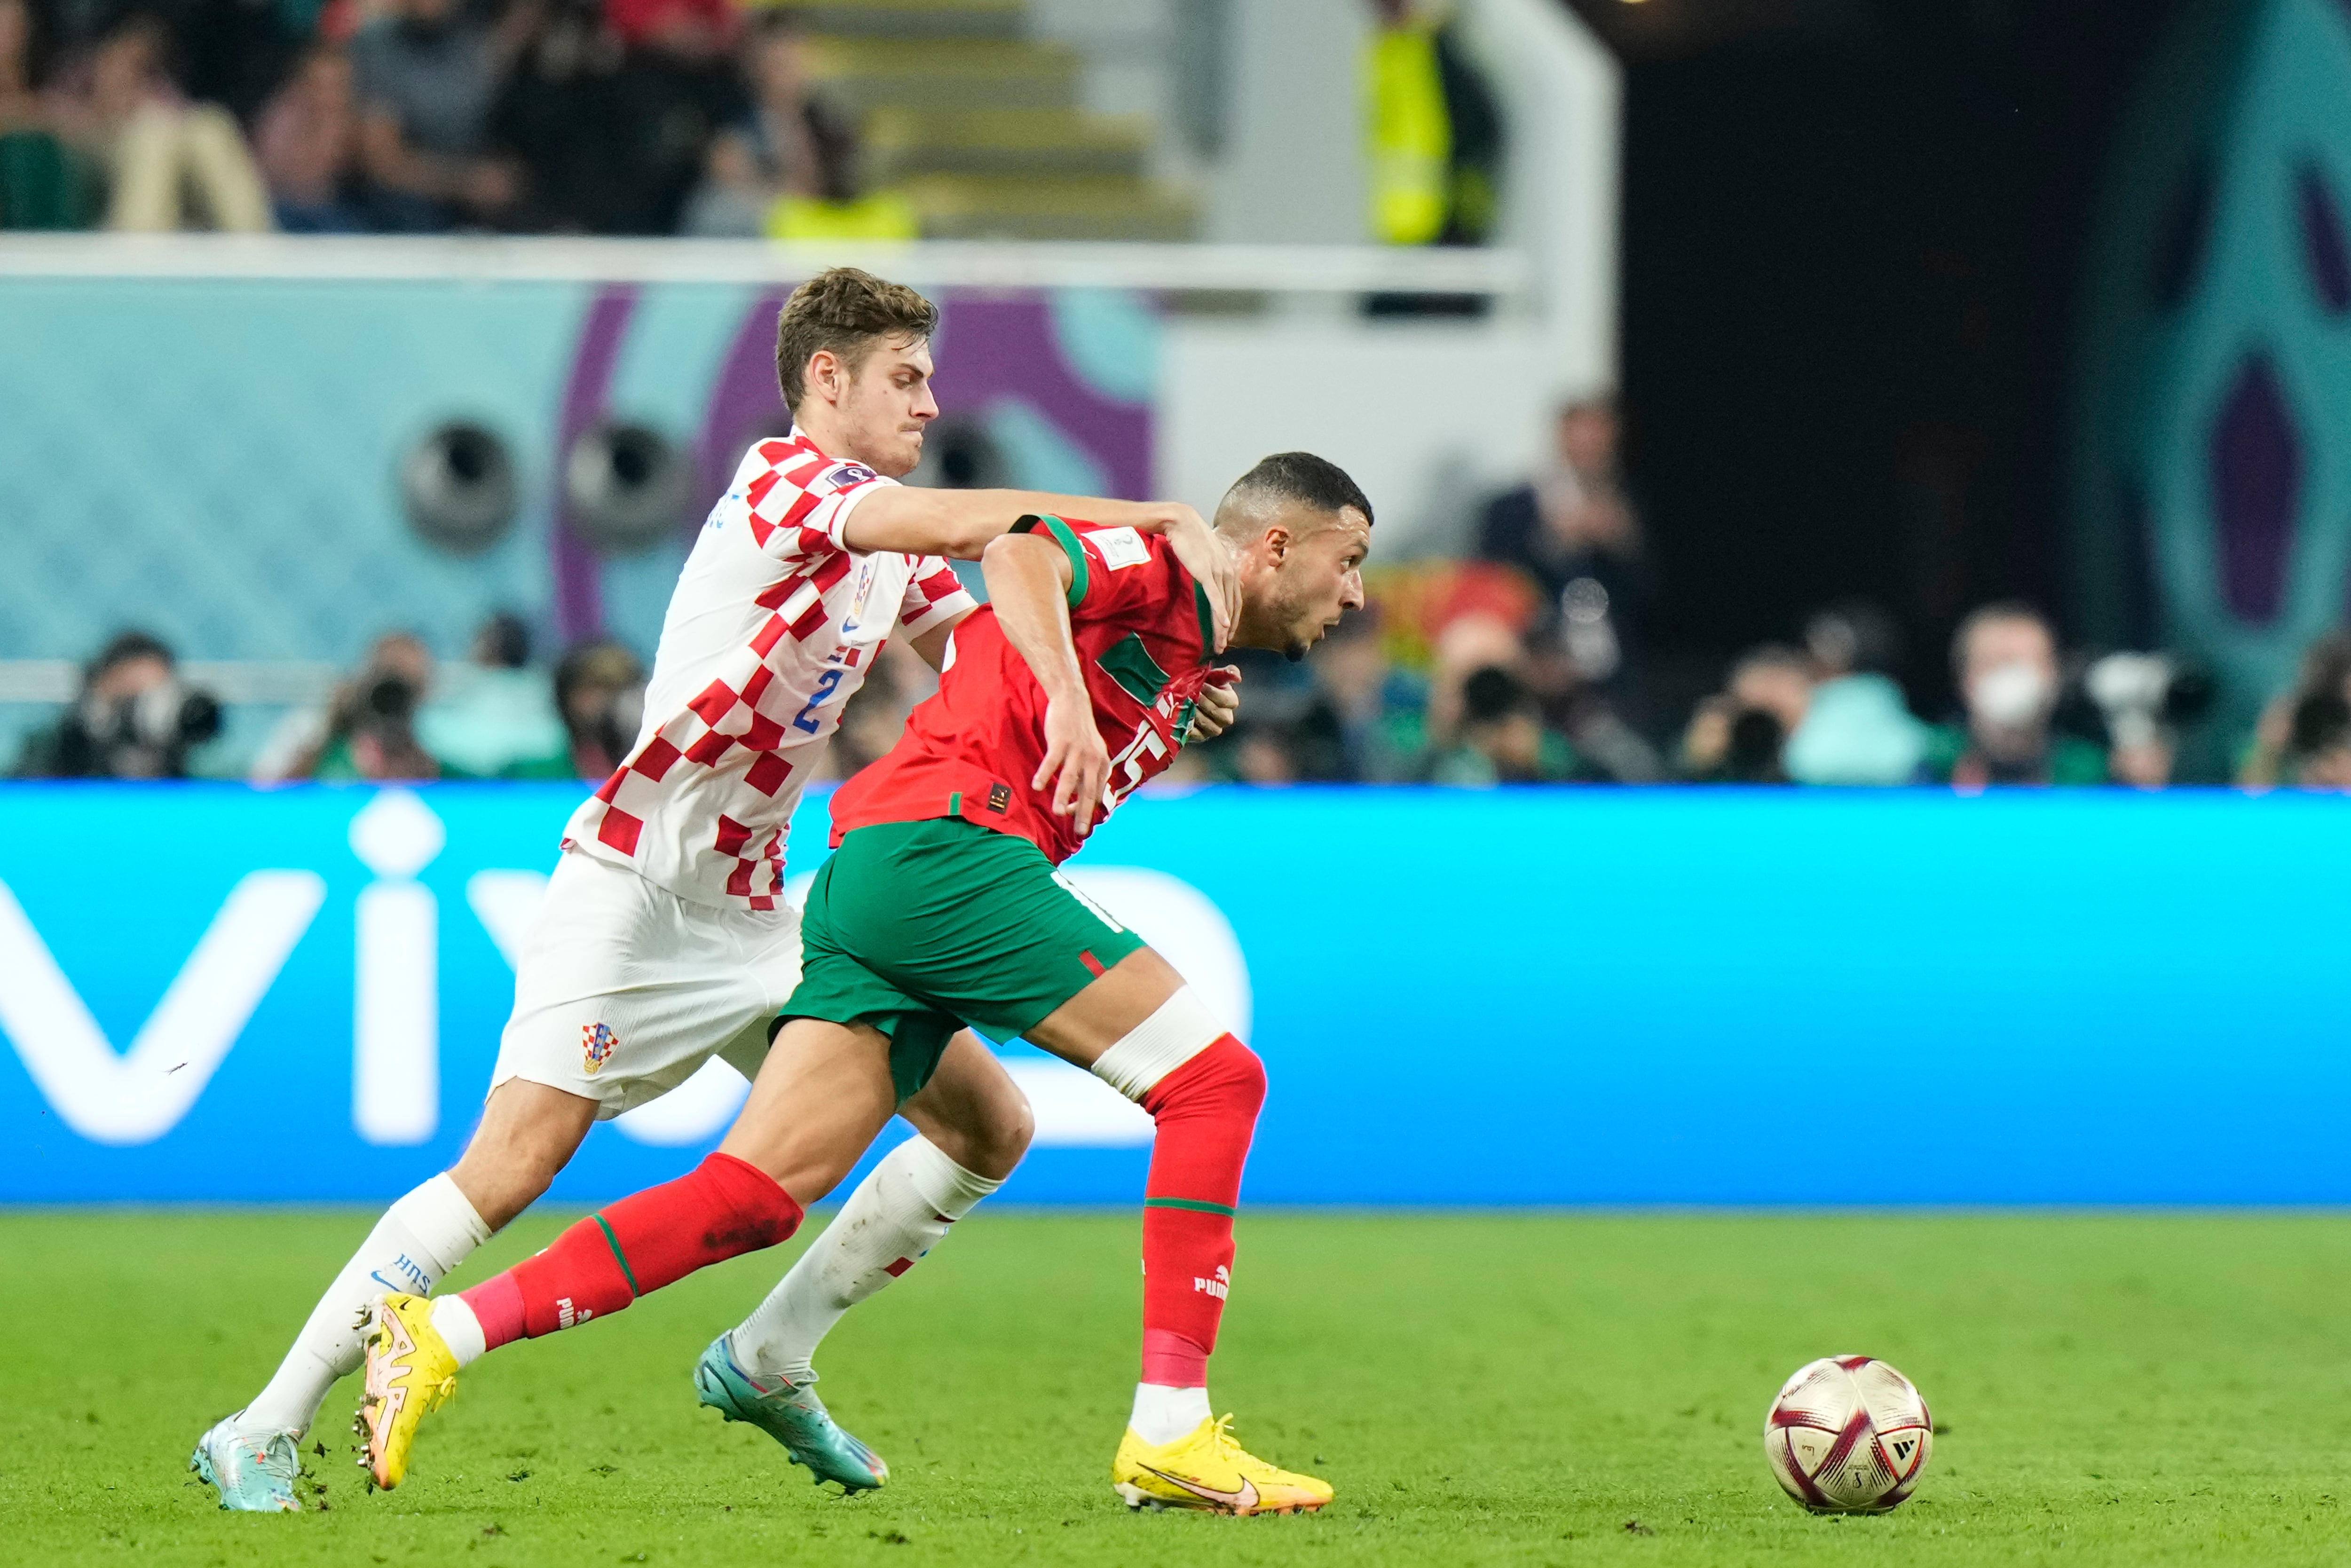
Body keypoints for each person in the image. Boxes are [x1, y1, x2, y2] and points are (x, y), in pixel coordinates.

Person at [190, 266, 1241, 1513]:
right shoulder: (785, 483)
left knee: (988, 1125)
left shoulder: (876, 550)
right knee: (511, 1164)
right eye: (905, 377)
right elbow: (980, 530)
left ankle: (773, 1354)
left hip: (760, 906)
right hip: (633, 891)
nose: (928, 398)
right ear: (828, 380)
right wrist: (1154, 512)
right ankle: (261, 1422)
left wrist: (1149, 687)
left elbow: (991, 625)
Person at [354, 452, 1369, 1517]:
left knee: (763, 1193)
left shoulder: (1185, 643)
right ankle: (1171, 1428)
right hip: (950, 849)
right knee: (1215, 1083)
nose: (1355, 594)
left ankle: (449, 1332)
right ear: (1275, 546)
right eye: (1348, 562)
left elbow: (1014, 649)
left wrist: (1150, 691)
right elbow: (1022, 552)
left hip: (877, 874)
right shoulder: (1169, 566)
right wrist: (1073, 702)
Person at [50, 13, 271, 231]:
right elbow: (52, 120)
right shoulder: (71, 85)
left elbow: (181, 121)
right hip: (100, 160)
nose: (128, 74)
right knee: (152, 136)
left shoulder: (160, 96)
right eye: (124, 60)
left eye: (141, 67)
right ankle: (137, 254)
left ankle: (256, 247)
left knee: (212, 127)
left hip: (169, 163)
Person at [349, 0, 529, 229]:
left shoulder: (474, 42)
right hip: (399, 211)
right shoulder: (378, 46)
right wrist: (467, 184)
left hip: (479, 211)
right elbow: (384, 164)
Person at [1476, 397, 1644, 639]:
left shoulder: (1629, 507)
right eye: (1583, 438)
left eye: (1602, 439)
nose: (1593, 448)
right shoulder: (1511, 510)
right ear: (1562, 437)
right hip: (1539, 650)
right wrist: (1553, 540)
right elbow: (1493, 584)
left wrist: (1624, 541)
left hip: (1616, 657)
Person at [1919, 602, 2106, 788]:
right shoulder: (1932, 761)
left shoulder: (2091, 770)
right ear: (1965, 679)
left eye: (2026, 663)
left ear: (2055, 677)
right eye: (1995, 663)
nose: (2012, 678)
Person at [11, 629, 219, 778]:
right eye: (131, 698)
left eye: (154, 698)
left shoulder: (194, 780)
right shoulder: (52, 760)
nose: (140, 714)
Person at [253, 42, 365, 232]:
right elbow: (291, 182)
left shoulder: (355, 120)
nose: (328, 94)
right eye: (320, 85)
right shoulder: (281, 119)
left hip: (336, 212)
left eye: (337, 86)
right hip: (283, 211)